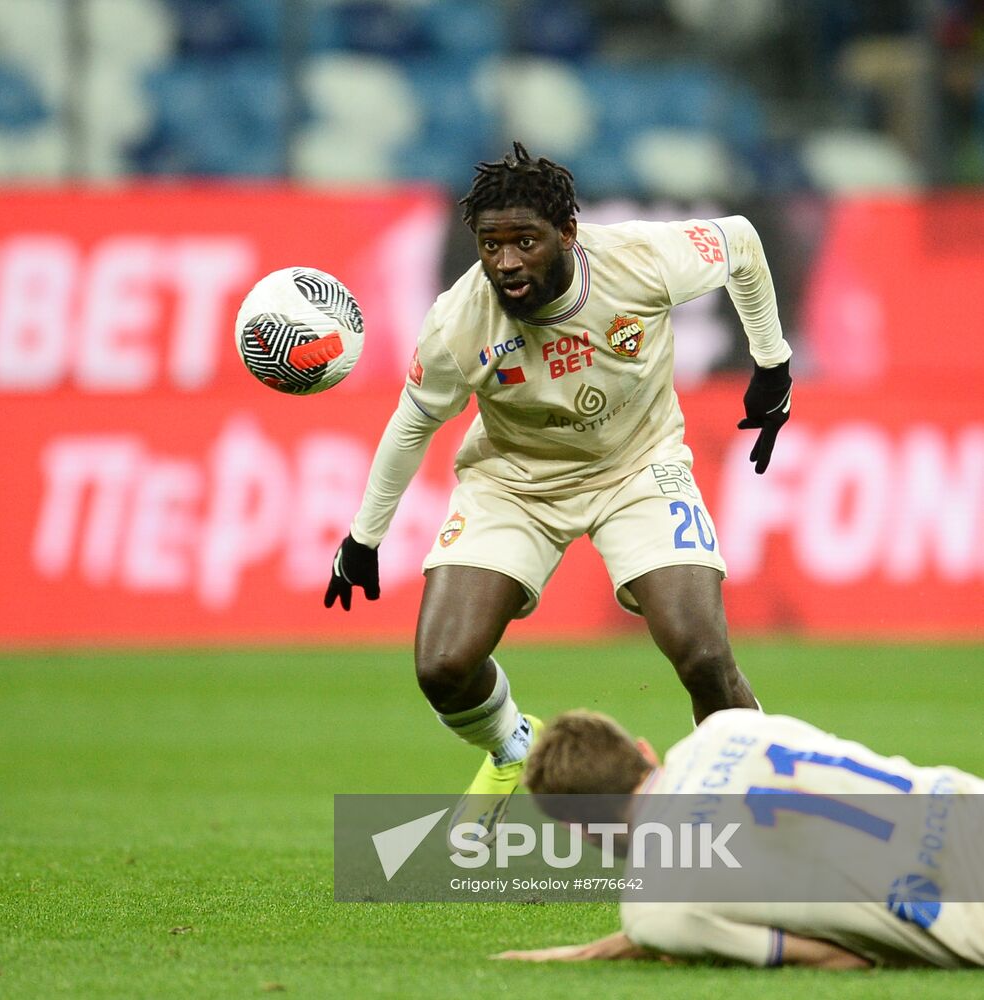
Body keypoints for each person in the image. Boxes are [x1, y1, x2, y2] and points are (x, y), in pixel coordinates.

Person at [324, 142, 792, 839]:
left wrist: (772, 362)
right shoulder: (459, 322)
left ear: (567, 233)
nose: (506, 261)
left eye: (525, 241)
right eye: (491, 244)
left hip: (639, 468)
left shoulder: (638, 259)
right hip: (514, 481)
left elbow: (744, 245)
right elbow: (411, 424)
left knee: (700, 650)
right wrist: (365, 538)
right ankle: (513, 746)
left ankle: (755, 811)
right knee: (444, 665)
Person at [495, 708, 984, 968]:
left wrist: (661, 940)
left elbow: (841, 959)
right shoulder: (725, 727)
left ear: (580, 831)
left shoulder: (655, 909)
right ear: (644, 751)